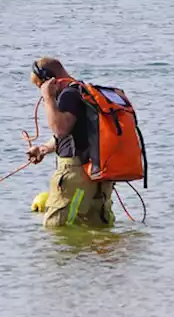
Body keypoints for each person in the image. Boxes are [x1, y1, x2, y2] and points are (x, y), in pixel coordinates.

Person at [25, 57, 115, 228]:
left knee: (57, 230)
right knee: (98, 232)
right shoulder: (84, 92)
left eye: (40, 85)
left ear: (49, 79)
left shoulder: (67, 95)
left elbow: (60, 129)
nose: (40, 91)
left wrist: (48, 97)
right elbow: (71, 134)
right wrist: (44, 149)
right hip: (98, 176)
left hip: (76, 176)